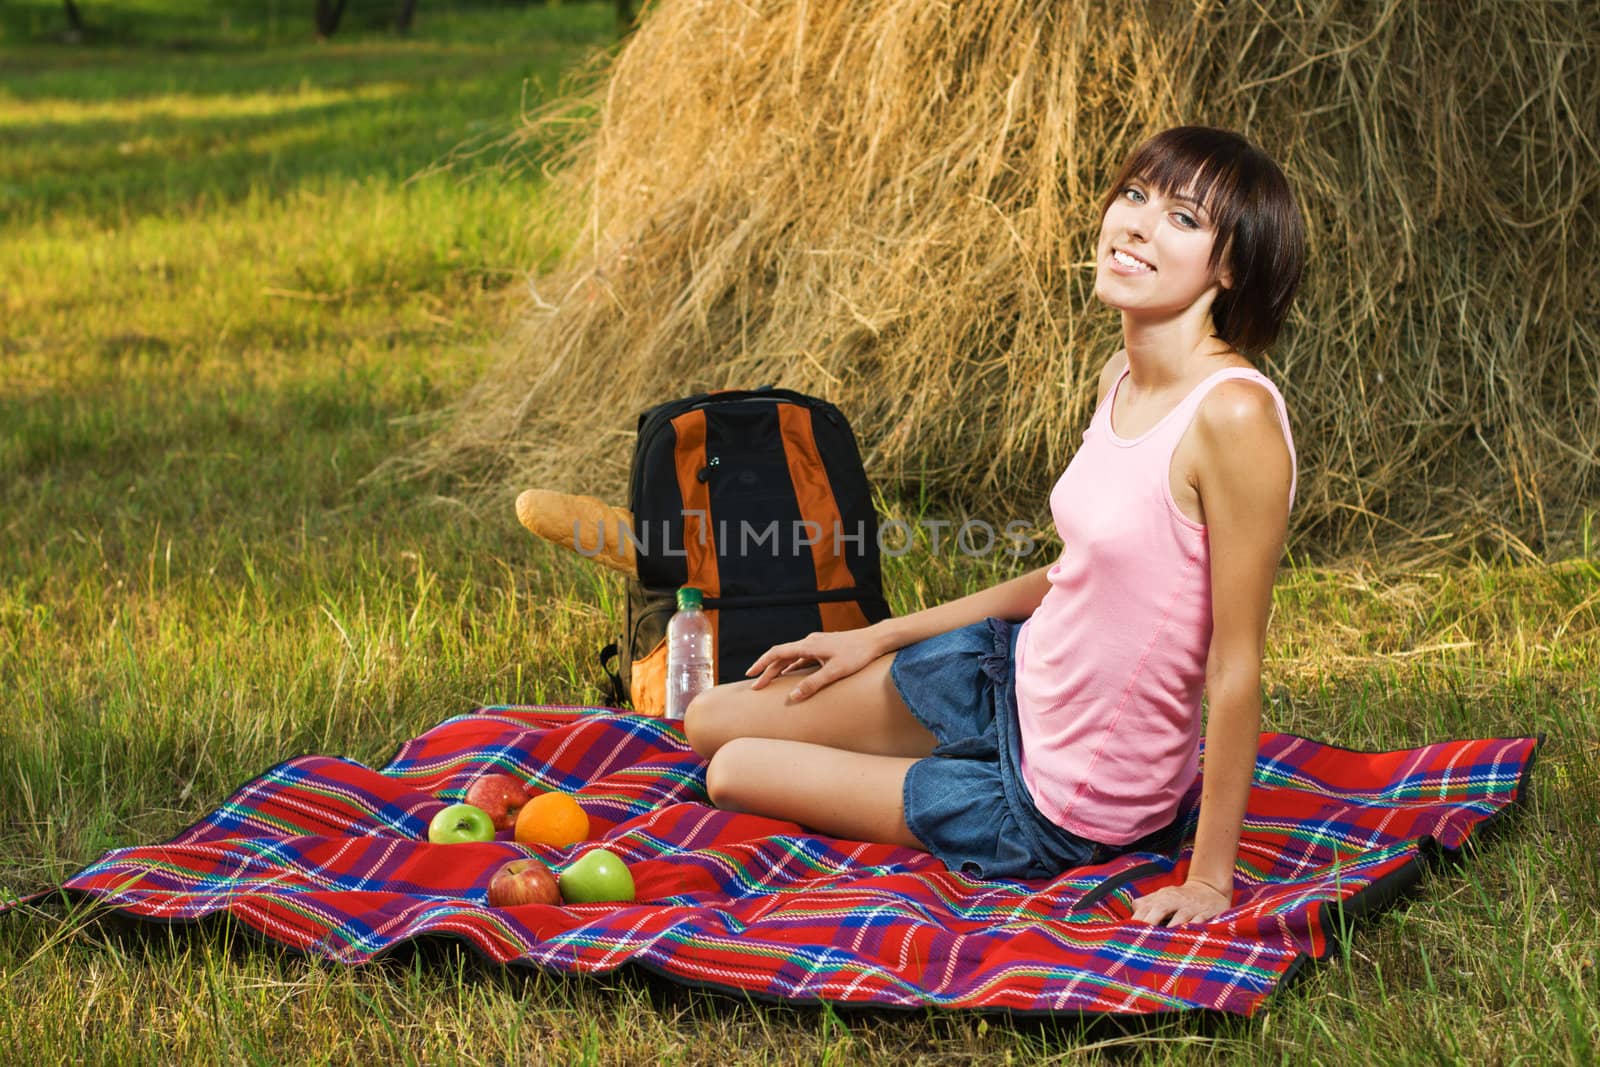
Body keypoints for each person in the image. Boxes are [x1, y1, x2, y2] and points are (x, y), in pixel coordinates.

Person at [682, 126, 1304, 927]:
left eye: (1184, 218)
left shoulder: (1234, 415)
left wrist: (1210, 880)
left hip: (1057, 795)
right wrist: (879, 636)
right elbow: (1075, 573)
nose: (1140, 224)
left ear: (1229, 266)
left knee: (733, 770)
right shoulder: (1121, 375)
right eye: (1136, 195)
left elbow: (1237, 663)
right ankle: (909, 725)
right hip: (1008, 677)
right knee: (706, 720)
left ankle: (931, 769)